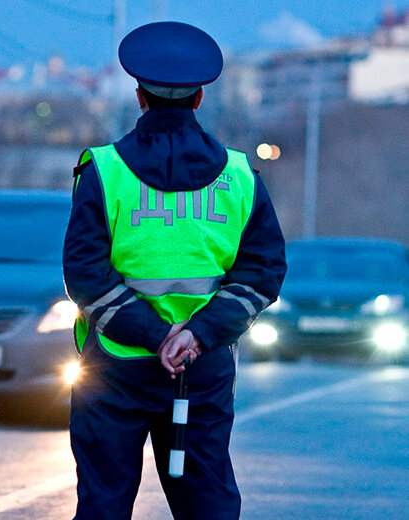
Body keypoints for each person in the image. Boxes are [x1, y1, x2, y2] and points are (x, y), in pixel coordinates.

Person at [63, 21, 287, 520]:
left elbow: (84, 273)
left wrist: (154, 334)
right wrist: (196, 335)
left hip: (113, 370)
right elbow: (263, 272)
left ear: (139, 96)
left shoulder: (103, 171)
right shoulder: (240, 176)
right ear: (200, 98)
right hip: (200, 369)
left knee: (103, 505)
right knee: (207, 506)